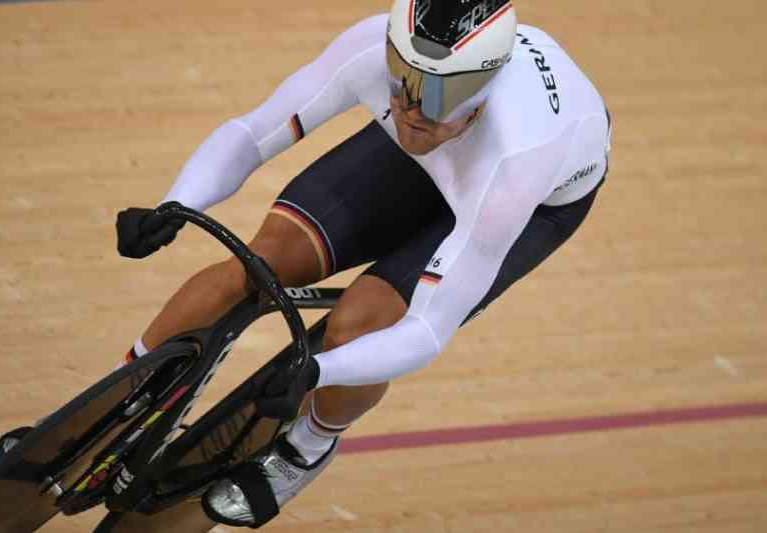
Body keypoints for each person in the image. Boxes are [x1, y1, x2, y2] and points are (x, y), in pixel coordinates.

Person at [116, 0, 610, 527]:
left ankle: (307, 447)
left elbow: (427, 329)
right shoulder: (377, 54)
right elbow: (254, 131)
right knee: (256, 266)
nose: (411, 107)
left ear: (481, 88)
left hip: (529, 200)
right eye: (403, 77)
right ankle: (109, 417)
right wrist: (177, 203)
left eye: (437, 92)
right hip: (430, 156)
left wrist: (317, 371)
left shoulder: (519, 157)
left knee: (360, 324)